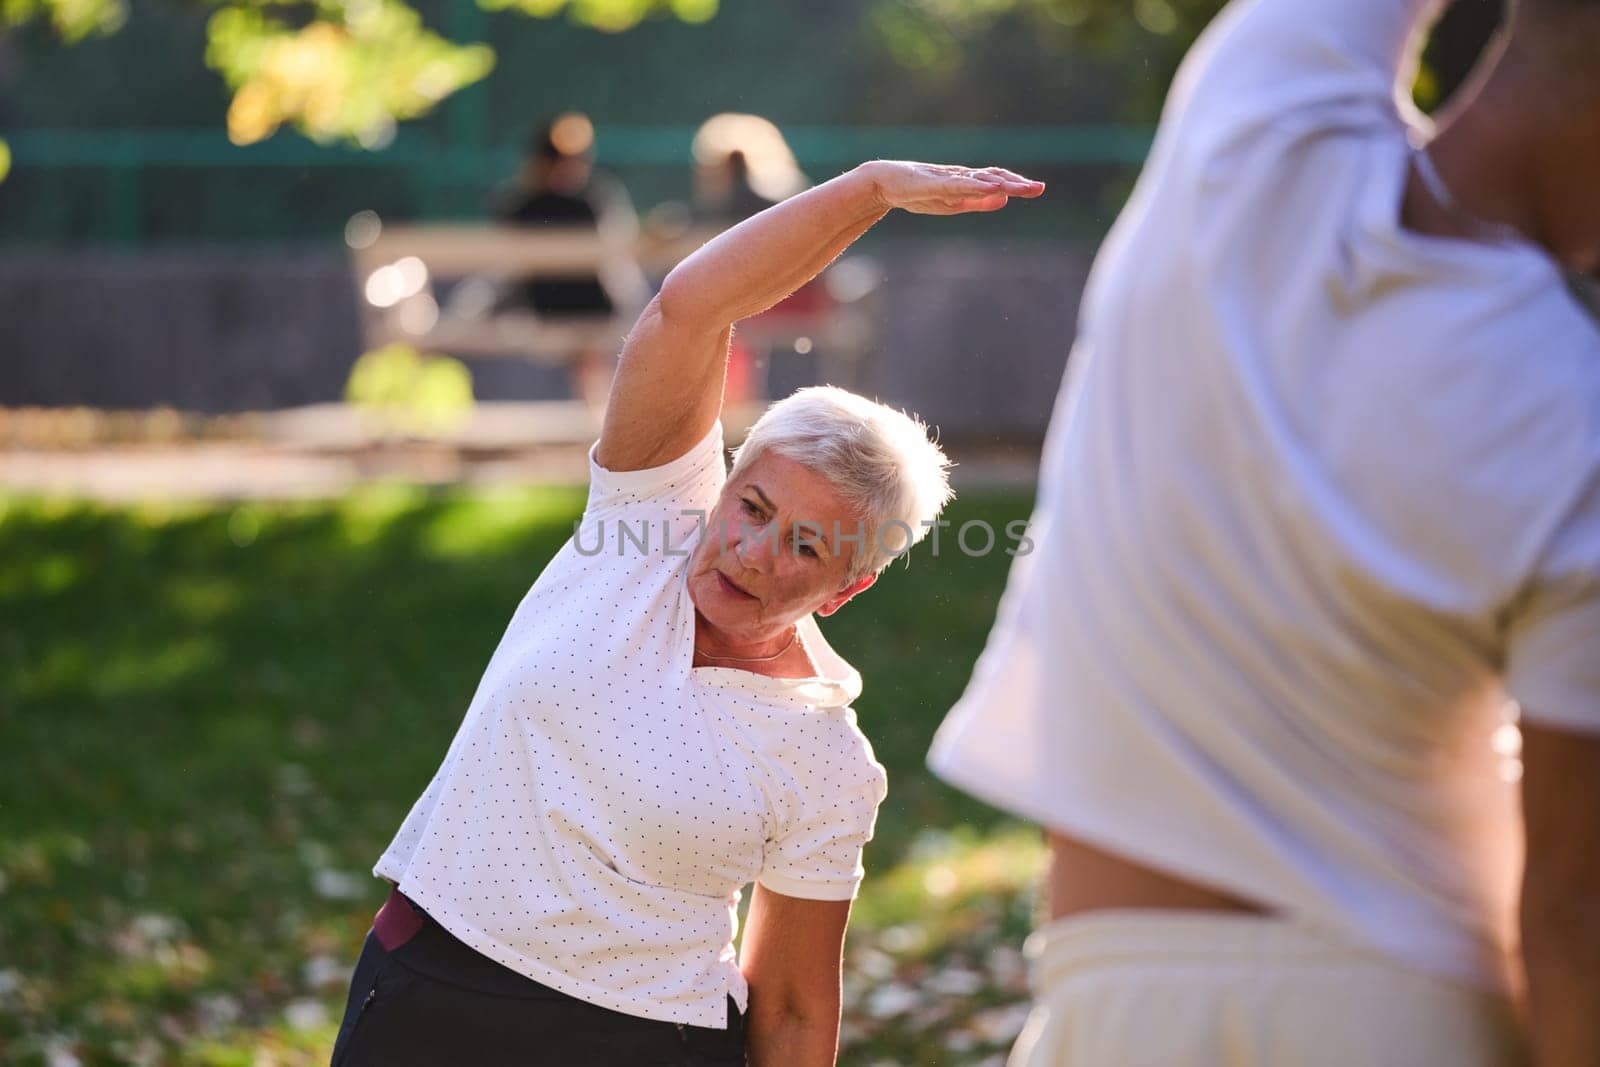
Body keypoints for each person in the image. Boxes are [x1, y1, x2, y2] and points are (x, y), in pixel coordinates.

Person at [929, 1, 1600, 1065]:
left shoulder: (1255, 125)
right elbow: (1571, 911)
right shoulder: (1577, 419)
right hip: (1409, 1011)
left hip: (1111, 997)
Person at [330, 159, 1044, 1066]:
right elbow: (691, 307)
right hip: (431, 995)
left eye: (808, 547)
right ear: (726, 480)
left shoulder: (828, 758)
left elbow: (789, 1008)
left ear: (848, 588)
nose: (753, 551)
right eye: (752, 507)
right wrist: (869, 191)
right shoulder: (641, 527)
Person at [492, 112, 639, 406]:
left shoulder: (523, 203)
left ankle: (597, 417)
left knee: (591, 362)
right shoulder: (586, 201)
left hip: (578, 308)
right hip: (552, 307)